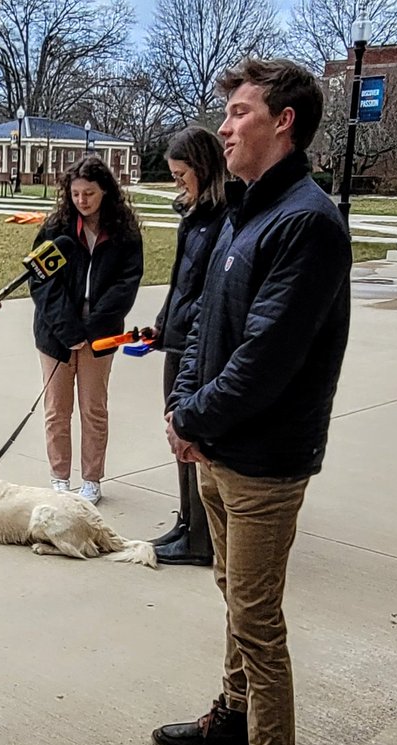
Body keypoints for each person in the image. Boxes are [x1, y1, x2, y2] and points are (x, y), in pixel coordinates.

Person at [152, 58, 352, 745]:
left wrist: (195, 416)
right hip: (218, 446)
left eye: (239, 112)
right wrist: (186, 413)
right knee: (232, 594)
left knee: (258, 621)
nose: (225, 126)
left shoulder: (306, 221)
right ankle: (233, 714)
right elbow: (205, 326)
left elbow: (269, 355)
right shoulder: (244, 212)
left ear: (285, 123)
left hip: (266, 460)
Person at [30, 156, 144, 504]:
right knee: (57, 409)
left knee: (94, 407)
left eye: (89, 194)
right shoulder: (56, 229)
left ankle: (91, 479)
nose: (82, 201)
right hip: (56, 336)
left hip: (101, 335)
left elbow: (126, 284)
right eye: (76, 194)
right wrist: (68, 329)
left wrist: (92, 328)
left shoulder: (124, 234)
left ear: (105, 191)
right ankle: (59, 478)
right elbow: (41, 280)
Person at [141, 125, 229, 566]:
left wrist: (186, 330)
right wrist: (161, 322)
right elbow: (181, 281)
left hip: (197, 345)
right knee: (177, 435)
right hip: (177, 338)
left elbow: (209, 292)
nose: (178, 183)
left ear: (203, 167)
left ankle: (200, 537)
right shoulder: (194, 215)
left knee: (190, 436)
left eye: (182, 175)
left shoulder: (222, 218)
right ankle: (187, 522)